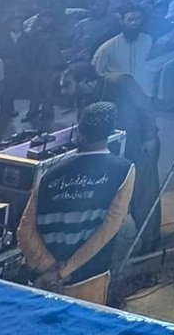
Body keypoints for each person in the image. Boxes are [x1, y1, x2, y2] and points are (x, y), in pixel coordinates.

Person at [18, 101, 136, 300]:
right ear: (109, 132)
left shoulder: (49, 174)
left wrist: (47, 268)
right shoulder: (123, 170)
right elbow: (109, 229)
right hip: (89, 278)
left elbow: (25, 230)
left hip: (42, 279)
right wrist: (63, 271)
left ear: (80, 132)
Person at [61, 62, 162, 254]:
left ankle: (151, 239)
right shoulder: (83, 98)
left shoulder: (120, 82)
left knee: (143, 193)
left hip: (139, 143)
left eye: (67, 84)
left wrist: (150, 137)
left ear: (85, 81)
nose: (64, 91)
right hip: (114, 149)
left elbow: (145, 107)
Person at [91, 5, 156, 95]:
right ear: (122, 21)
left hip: (145, 92)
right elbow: (95, 72)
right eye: (130, 20)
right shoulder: (108, 47)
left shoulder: (148, 40)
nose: (134, 23)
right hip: (119, 95)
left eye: (138, 19)